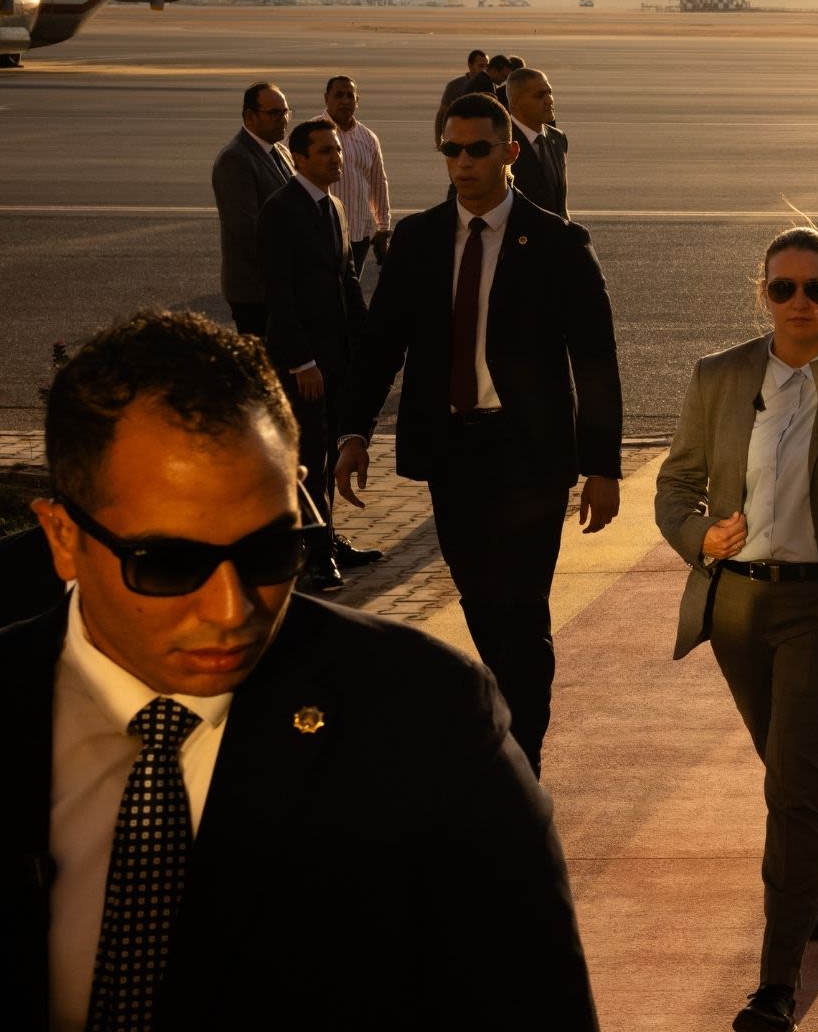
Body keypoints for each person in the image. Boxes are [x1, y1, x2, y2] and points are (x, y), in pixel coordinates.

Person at [0, 310, 595, 1030]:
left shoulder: (428, 726)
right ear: (62, 538)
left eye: (270, 552)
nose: (232, 609)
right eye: (169, 563)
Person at [655, 228, 818, 1032]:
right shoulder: (720, 377)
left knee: (789, 786)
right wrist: (699, 538)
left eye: (817, 288)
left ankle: (775, 986)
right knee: (791, 766)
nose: (800, 302)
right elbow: (675, 484)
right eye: (783, 288)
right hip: (737, 609)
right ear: (761, 293)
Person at [334, 92, 625, 775]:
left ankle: (524, 760)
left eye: (477, 150)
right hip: (453, 453)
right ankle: (509, 726)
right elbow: (381, 346)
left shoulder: (557, 242)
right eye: (451, 150)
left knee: (521, 612)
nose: (461, 163)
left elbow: (595, 359)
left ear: (509, 152)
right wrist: (351, 431)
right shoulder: (417, 239)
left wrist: (603, 466)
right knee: (482, 605)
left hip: (531, 456)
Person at [261, 118, 384, 593]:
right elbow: (280, 294)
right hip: (304, 363)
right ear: (300, 158)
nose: (338, 159)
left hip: (337, 357)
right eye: (326, 152)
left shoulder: (333, 206)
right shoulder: (281, 210)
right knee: (308, 455)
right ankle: (313, 555)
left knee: (329, 447)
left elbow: (347, 280)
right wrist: (302, 361)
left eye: (338, 150)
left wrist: (369, 340)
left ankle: (326, 539)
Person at [210, 81, 294, 338]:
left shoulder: (279, 151)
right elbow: (247, 231)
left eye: (286, 112)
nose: (283, 120)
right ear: (250, 116)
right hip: (255, 292)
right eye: (274, 113)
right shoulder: (236, 159)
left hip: (277, 286)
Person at [324, 74, 394, 276]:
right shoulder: (311, 133)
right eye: (338, 95)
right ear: (326, 98)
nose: (345, 101)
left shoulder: (368, 138)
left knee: (351, 294)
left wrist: (383, 228)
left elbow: (378, 183)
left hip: (358, 235)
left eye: (350, 96)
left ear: (357, 101)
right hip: (323, 235)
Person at [507, 67, 571, 220]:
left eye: (549, 92)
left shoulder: (558, 138)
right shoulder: (502, 142)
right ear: (517, 103)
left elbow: (561, 205)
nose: (549, 100)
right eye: (540, 95)